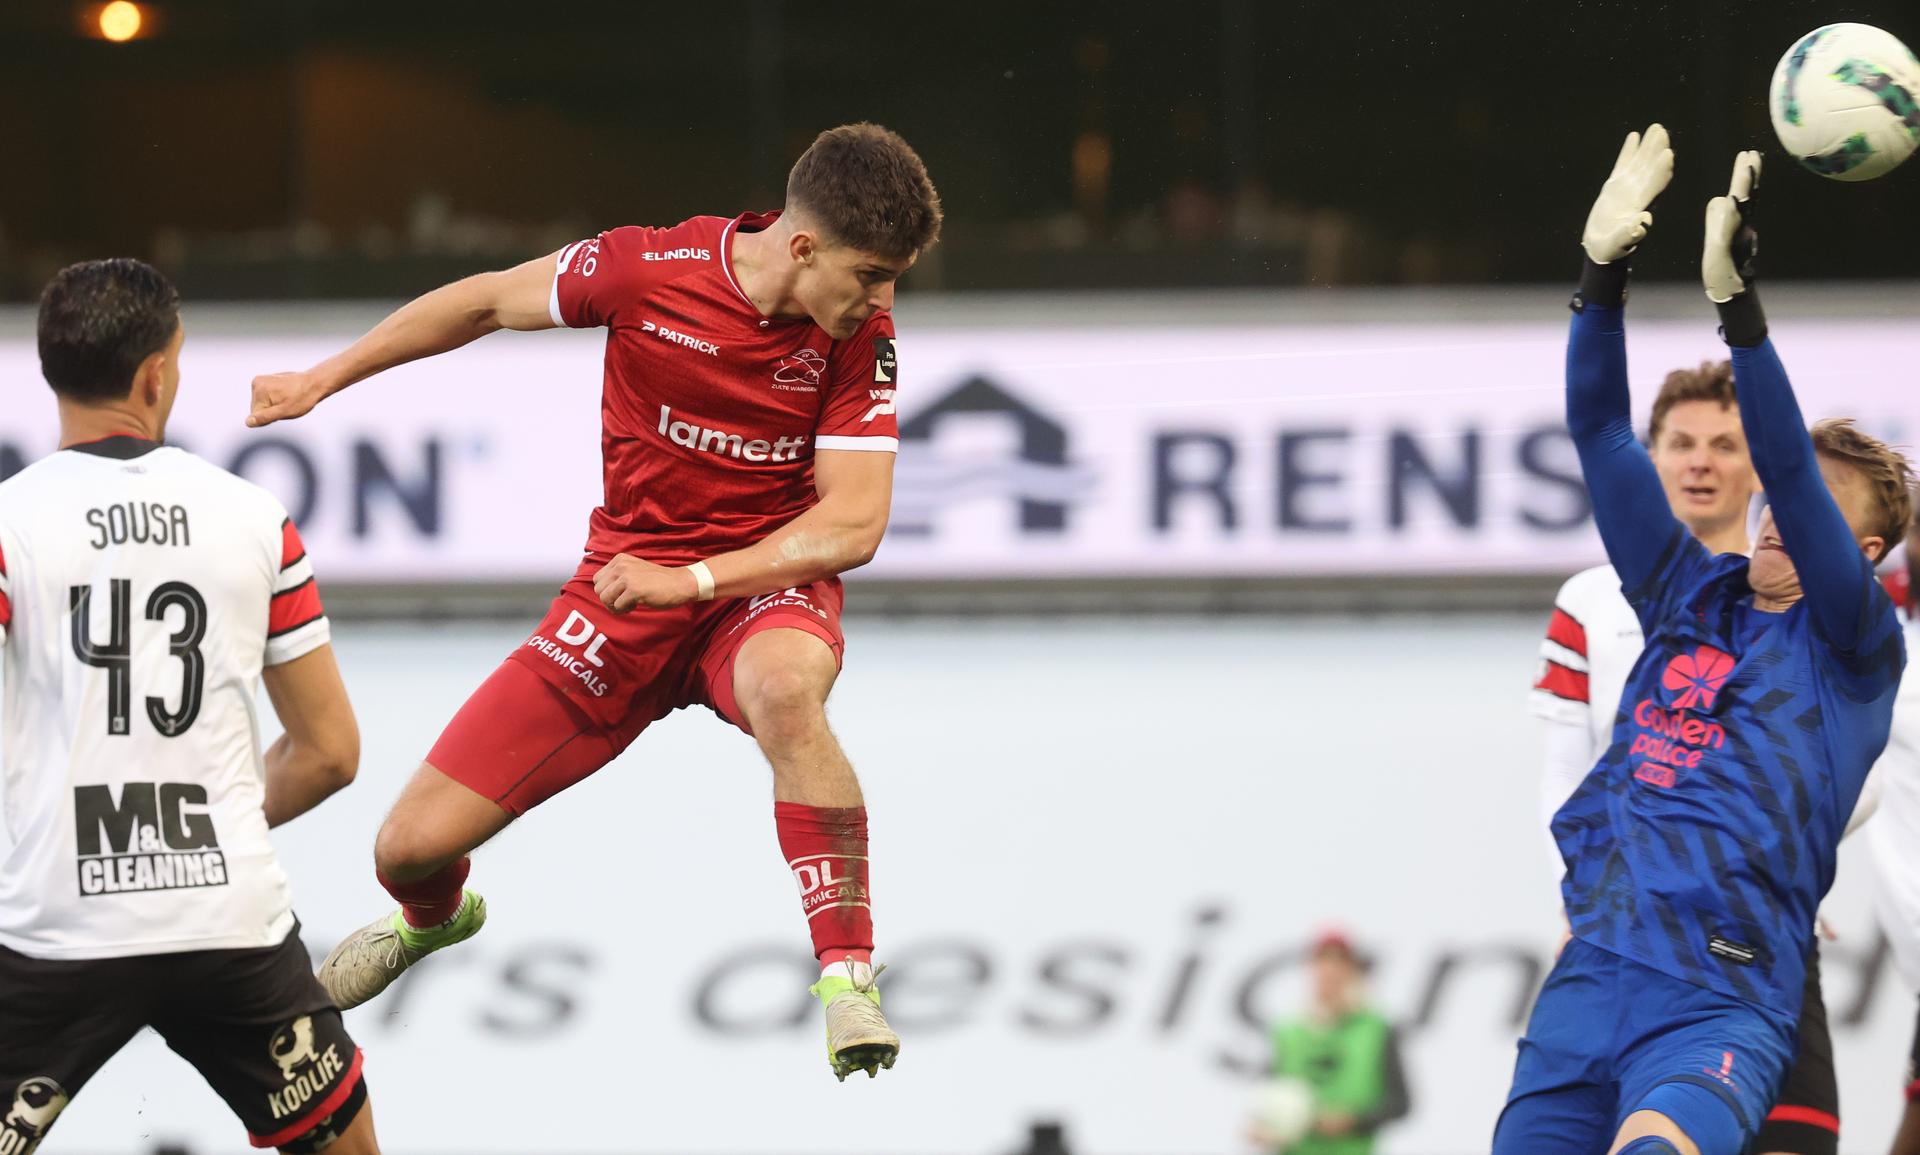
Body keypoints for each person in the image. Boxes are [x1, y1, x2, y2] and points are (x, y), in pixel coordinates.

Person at [244, 123, 942, 1081]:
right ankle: (434, 921)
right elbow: (486, 302)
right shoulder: (648, 269)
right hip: (622, 595)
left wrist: (695, 580)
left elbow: (854, 526)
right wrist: (324, 377)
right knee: (407, 847)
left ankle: (847, 976)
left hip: (754, 595)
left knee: (787, 692)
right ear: (804, 245)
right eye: (871, 274)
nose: (883, 298)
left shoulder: (860, 336)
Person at [1493, 126, 1911, 1155]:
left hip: (1721, 998)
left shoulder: (1857, 646)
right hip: (1589, 979)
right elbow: (1597, 433)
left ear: (1860, 549)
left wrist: (1742, 318)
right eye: (1774, 499)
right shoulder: (1686, 592)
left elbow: (1787, 459)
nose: (1774, 512)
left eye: (1806, 505)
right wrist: (1601, 277)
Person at [0, 260, 375, 1153]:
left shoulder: (10, 523)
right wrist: (212, 823)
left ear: (52, 371)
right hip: (228, 922)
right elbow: (329, 750)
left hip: (55, 925)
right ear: (156, 374)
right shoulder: (254, 516)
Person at [1529, 363, 1862, 1155]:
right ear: (1650, 456)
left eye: (1724, 443)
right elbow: (1564, 773)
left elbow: (1862, 770)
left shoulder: (1819, 606)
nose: (1701, 461)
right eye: (1680, 443)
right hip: (1625, 935)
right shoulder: (1591, 601)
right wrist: (1577, 905)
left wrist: (1777, 862)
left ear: (1762, 467)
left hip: (1762, 933)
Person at [1257, 931, 1409, 1155]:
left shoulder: (1376, 1030)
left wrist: (1353, 1120)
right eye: (1323, 965)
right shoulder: (1288, 1033)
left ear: (1352, 972)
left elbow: (1400, 1104)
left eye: (1338, 966)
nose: (1329, 974)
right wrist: (1264, 1127)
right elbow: (1270, 1098)